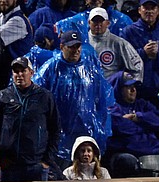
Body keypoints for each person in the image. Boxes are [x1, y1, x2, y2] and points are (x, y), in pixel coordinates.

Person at [33, 30, 114, 165]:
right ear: (61, 47)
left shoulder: (90, 68)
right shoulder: (51, 67)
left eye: (78, 46)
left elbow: (103, 100)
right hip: (59, 132)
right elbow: (36, 97)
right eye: (71, 47)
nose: (75, 50)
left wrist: (103, 128)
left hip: (86, 131)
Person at [0, 56, 60, 182]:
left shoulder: (45, 97)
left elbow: (55, 129)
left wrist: (46, 160)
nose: (19, 75)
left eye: (23, 71)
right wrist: (0, 158)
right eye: (16, 71)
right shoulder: (2, 96)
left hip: (36, 165)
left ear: (31, 73)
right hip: (9, 166)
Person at [106, 70, 159, 176]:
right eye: (128, 87)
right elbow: (120, 127)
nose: (133, 90)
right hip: (126, 152)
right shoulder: (111, 107)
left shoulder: (142, 104)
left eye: (134, 86)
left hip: (151, 150)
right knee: (127, 161)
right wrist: (146, 125)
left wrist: (136, 117)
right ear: (118, 88)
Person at [122, 0, 159, 102]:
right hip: (139, 89)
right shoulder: (129, 31)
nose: (149, 11)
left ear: (157, 11)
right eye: (146, 8)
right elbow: (123, 59)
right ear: (140, 10)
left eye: (152, 8)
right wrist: (142, 53)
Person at [87, 6, 144, 82]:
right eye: (95, 21)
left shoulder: (119, 43)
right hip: (88, 89)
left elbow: (137, 66)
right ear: (89, 22)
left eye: (101, 21)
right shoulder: (83, 42)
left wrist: (130, 85)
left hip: (112, 89)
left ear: (108, 23)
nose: (98, 24)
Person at [0, 0, 35, 93]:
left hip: (19, 77)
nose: (3, 1)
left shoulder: (18, 21)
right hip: (8, 75)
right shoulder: (3, 16)